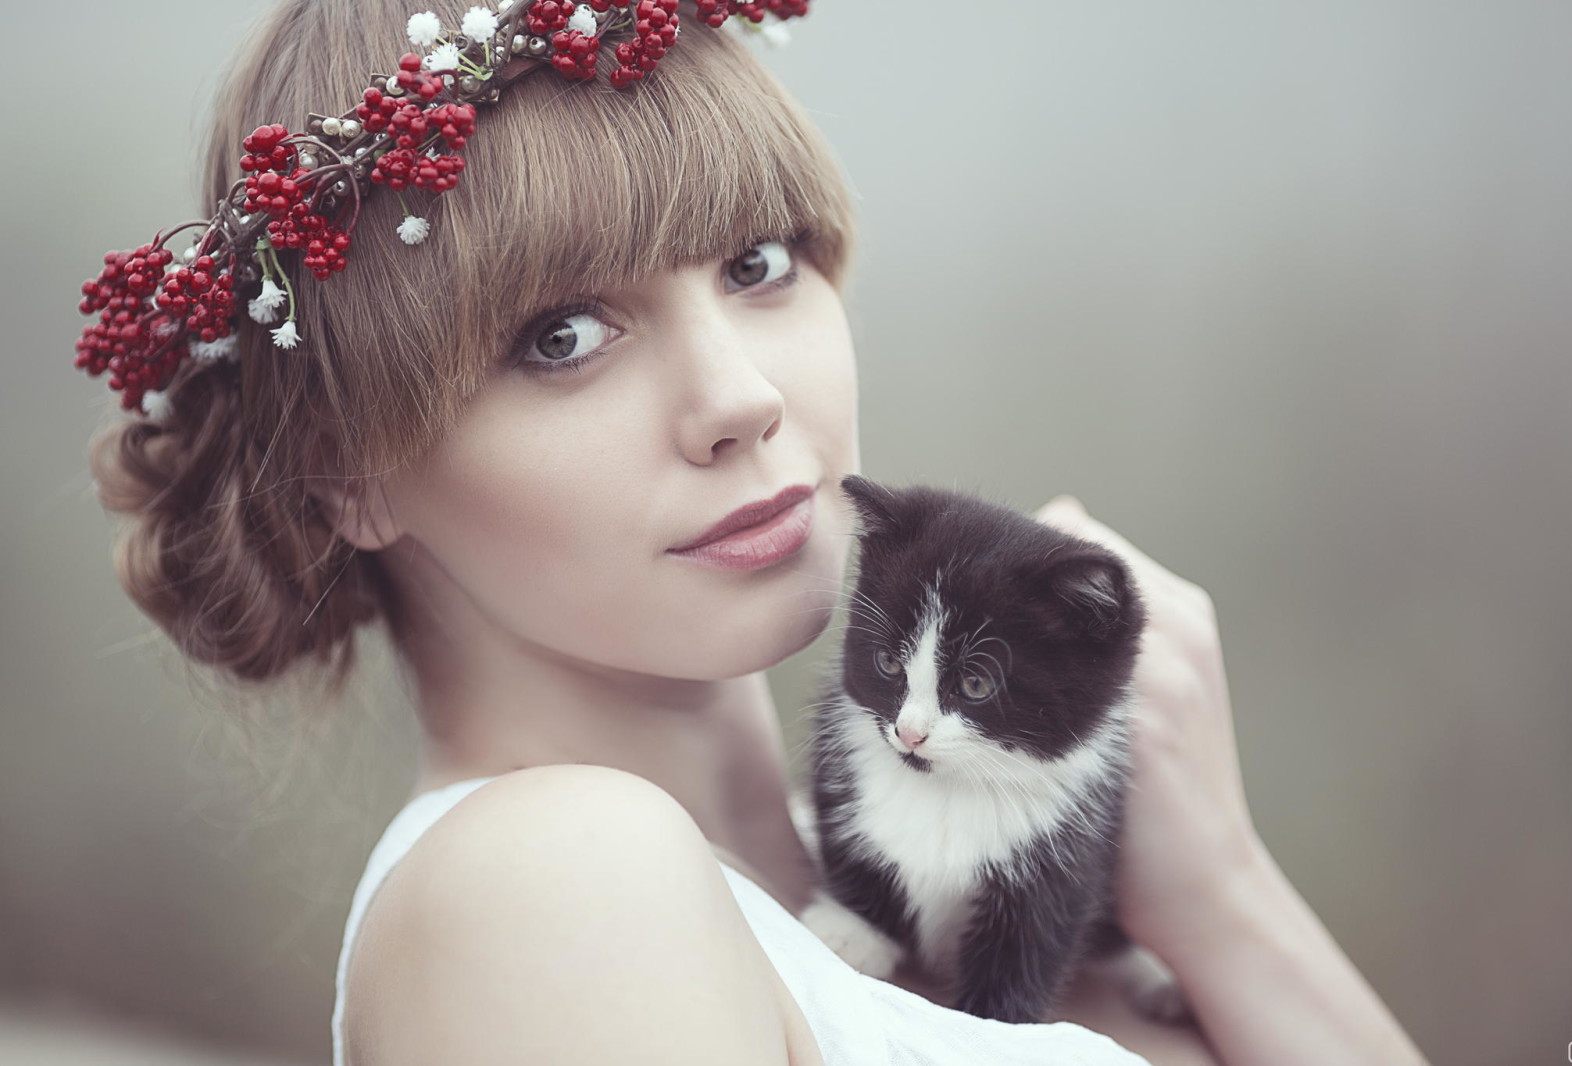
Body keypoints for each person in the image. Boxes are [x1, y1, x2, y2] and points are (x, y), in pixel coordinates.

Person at [80, 1, 1431, 1063]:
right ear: (346, 476)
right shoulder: (549, 883)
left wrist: (1224, 893)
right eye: (561, 336)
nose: (741, 396)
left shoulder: (939, 857)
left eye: (758, 264)